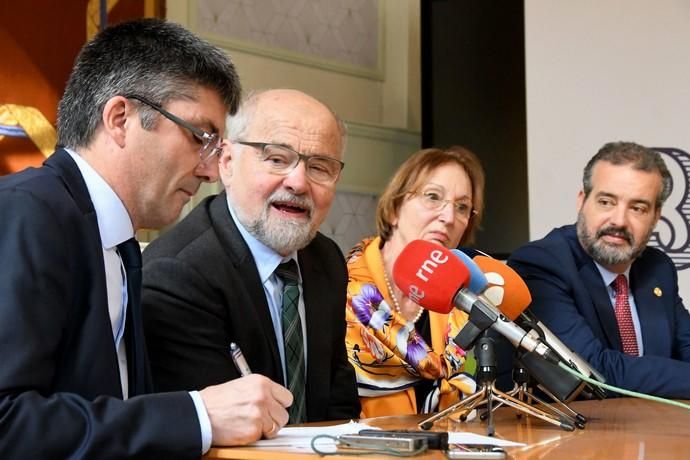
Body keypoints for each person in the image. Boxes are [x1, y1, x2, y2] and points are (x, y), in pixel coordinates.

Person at [0, 18, 295, 459]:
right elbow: (8, 422)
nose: (211, 170)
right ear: (120, 119)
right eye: (200, 137)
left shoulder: (118, 240)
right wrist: (197, 415)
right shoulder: (30, 212)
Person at [142, 89, 360, 424]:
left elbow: (339, 404)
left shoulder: (326, 259)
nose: (299, 182)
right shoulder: (178, 274)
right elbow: (212, 437)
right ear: (226, 163)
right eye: (276, 159)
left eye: (319, 167)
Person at [508, 141, 690, 398]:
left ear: (656, 216)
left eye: (637, 208)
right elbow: (595, 373)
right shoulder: (543, 263)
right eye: (606, 202)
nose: (619, 220)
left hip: (657, 429)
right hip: (578, 435)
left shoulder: (657, 268)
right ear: (582, 201)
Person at [345, 147, 483, 417]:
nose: (449, 217)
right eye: (433, 197)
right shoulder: (341, 290)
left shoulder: (462, 302)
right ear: (395, 208)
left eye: (462, 207)